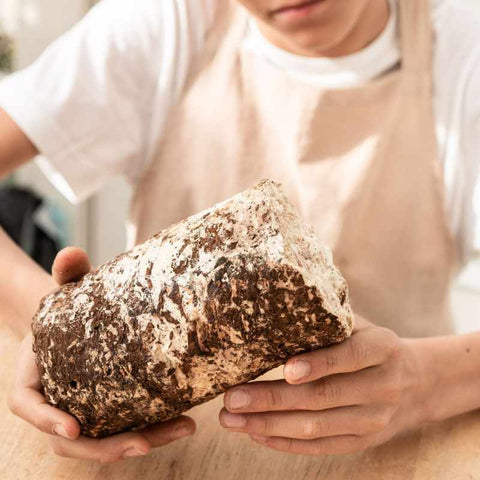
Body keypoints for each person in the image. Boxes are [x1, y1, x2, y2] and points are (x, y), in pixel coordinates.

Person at [1, 0, 480, 464]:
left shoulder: (463, 47)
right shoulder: (164, 21)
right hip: (174, 454)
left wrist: (425, 381)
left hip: (402, 450)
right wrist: (45, 327)